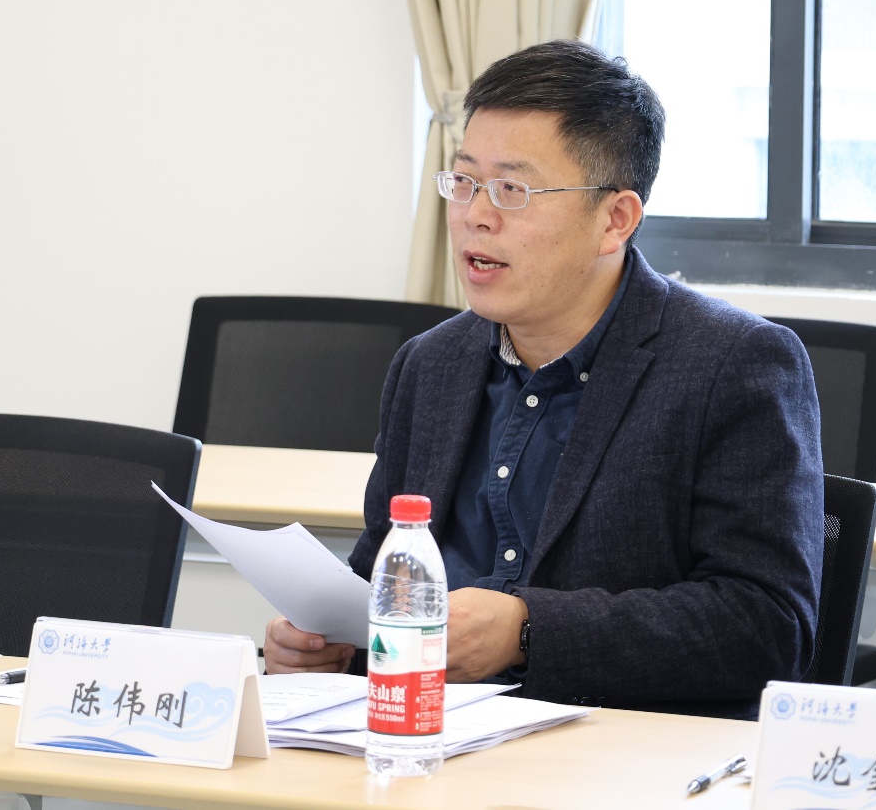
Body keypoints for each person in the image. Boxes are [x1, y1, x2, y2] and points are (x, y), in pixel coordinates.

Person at [263, 39, 824, 719]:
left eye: (513, 190)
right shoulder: (429, 364)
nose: (476, 214)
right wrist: (330, 645)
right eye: (464, 181)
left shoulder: (733, 365)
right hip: (428, 736)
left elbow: (767, 625)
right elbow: (381, 574)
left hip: (621, 752)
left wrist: (527, 631)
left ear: (614, 219)